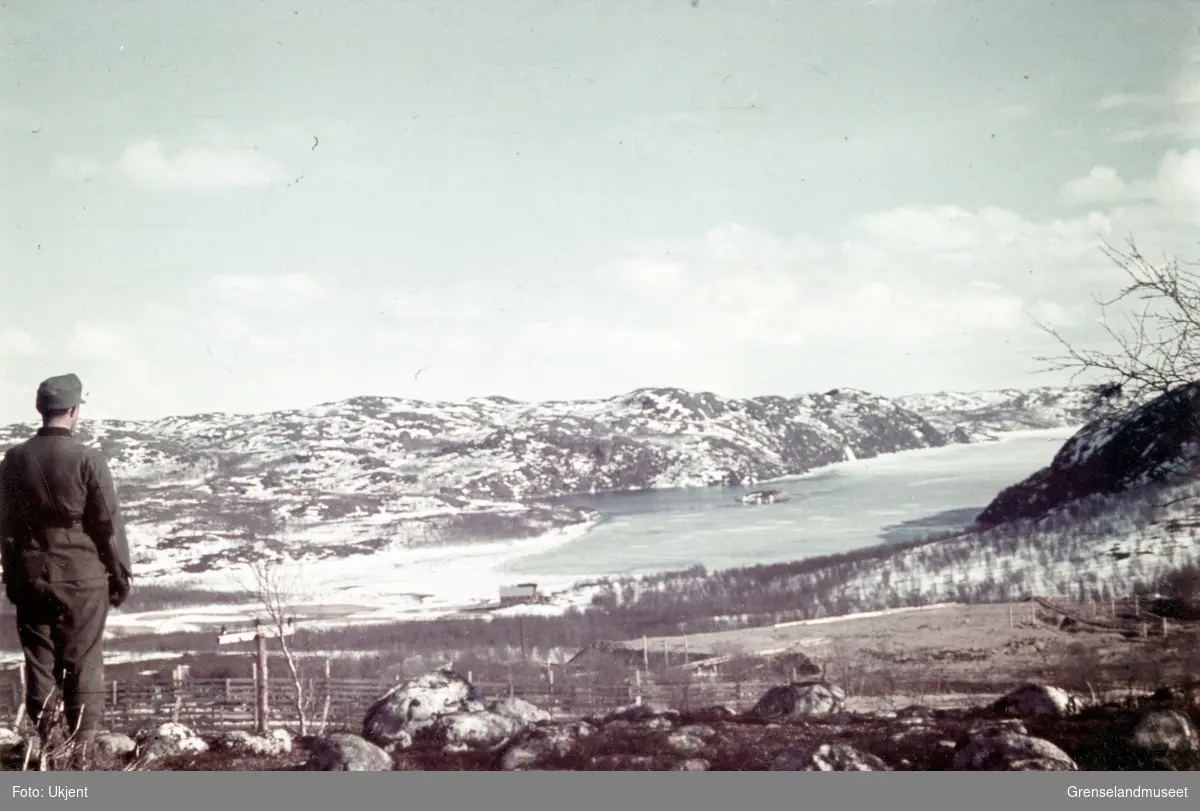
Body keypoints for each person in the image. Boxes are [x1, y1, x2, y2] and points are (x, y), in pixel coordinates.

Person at [0, 373, 133, 761]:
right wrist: (120, 574)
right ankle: (81, 751)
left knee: (39, 662)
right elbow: (108, 524)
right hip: (82, 575)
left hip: (31, 576)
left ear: (41, 410)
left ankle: (45, 748)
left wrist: (13, 576)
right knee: (84, 661)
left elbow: (4, 524)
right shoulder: (88, 459)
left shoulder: (14, 459)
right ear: (74, 411)